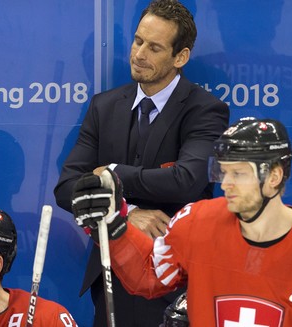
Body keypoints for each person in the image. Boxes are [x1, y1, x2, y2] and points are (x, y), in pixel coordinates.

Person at [53, 0, 229, 325]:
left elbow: (186, 179)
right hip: (110, 277)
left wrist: (112, 175)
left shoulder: (205, 110)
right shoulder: (103, 107)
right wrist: (126, 214)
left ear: (181, 57)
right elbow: (66, 187)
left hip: (175, 275)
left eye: (154, 47)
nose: (139, 55)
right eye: (138, 41)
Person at [72, 117, 292, 326]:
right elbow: (149, 275)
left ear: (274, 176)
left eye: (239, 174)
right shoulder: (196, 221)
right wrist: (113, 228)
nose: (227, 184)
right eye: (223, 172)